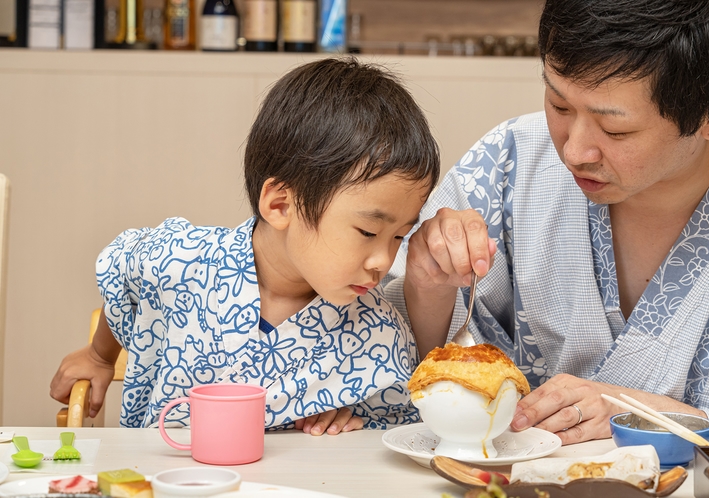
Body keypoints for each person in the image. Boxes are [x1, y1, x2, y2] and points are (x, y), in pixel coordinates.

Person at [385, 0, 709, 444]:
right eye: (558, 103)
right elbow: (410, 381)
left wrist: (652, 415)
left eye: (615, 128)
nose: (574, 149)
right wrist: (428, 287)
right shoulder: (507, 165)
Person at [50, 57, 440, 433]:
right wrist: (99, 356)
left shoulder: (380, 333)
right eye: (368, 233)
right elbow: (127, 278)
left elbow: (393, 429)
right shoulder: (178, 259)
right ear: (280, 204)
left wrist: (351, 421)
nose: (383, 261)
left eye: (399, 237)